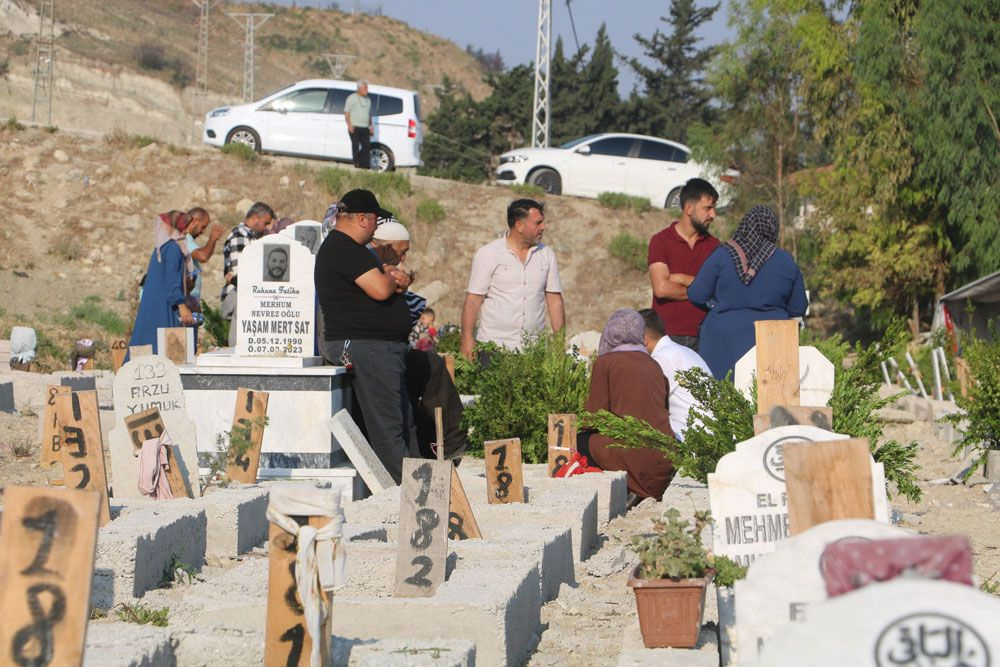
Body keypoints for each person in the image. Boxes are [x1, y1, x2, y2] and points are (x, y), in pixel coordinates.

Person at [315, 189, 417, 483]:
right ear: (362, 219)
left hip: (376, 346)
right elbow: (381, 289)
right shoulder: (343, 248)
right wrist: (391, 278)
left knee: (400, 419)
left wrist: (391, 278)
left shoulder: (352, 249)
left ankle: (414, 483)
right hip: (363, 346)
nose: (377, 228)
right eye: (375, 221)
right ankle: (402, 490)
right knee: (387, 424)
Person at [688, 205, 809, 380]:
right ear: (772, 229)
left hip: (721, 345)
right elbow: (798, 307)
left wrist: (716, 305)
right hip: (771, 346)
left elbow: (697, 294)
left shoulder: (722, 255)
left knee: (719, 401)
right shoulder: (785, 261)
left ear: (744, 225)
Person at [577, 309, 675, 502]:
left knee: (581, 440)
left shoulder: (606, 363)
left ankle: (621, 490)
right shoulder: (653, 364)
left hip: (634, 459)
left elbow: (593, 417)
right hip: (664, 461)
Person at [460, 199, 565, 361]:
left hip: (533, 350)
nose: (543, 227)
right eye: (538, 223)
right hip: (493, 347)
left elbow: (554, 300)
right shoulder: (489, 254)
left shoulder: (547, 255)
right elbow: (474, 298)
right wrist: (467, 339)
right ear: (519, 225)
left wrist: (559, 344)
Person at [647, 178, 721, 352]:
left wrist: (680, 278)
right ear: (689, 208)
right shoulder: (660, 241)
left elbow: (718, 290)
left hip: (703, 337)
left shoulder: (715, 246)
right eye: (708, 208)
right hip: (666, 336)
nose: (713, 215)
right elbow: (662, 289)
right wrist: (702, 289)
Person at [638, 308, 712, 442]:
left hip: (692, 437)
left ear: (644, 340)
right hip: (708, 430)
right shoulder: (682, 351)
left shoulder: (662, 359)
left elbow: (646, 403)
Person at [128, 211, 196, 354]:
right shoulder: (173, 249)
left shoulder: (163, 247)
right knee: (162, 350)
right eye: (186, 226)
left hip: (153, 305)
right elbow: (172, 281)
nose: (188, 230)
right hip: (164, 307)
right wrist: (182, 306)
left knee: (145, 346)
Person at [221, 202, 275, 346]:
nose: (267, 227)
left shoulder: (251, 237)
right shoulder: (240, 236)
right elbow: (240, 275)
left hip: (246, 294)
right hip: (240, 295)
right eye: (266, 223)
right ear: (254, 218)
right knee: (240, 344)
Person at [184, 206, 223, 313]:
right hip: (187, 300)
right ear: (195, 221)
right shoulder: (184, 239)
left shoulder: (188, 240)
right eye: (203, 226)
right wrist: (213, 239)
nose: (203, 231)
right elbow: (203, 256)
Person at [344, 80, 374, 170]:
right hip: (355, 126)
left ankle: (365, 165)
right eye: (365, 88)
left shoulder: (368, 99)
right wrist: (349, 125)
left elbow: (369, 114)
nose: (367, 90)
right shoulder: (352, 98)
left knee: (366, 146)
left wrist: (371, 126)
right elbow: (347, 112)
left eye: (367, 88)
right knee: (355, 145)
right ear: (359, 88)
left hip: (365, 127)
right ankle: (357, 163)